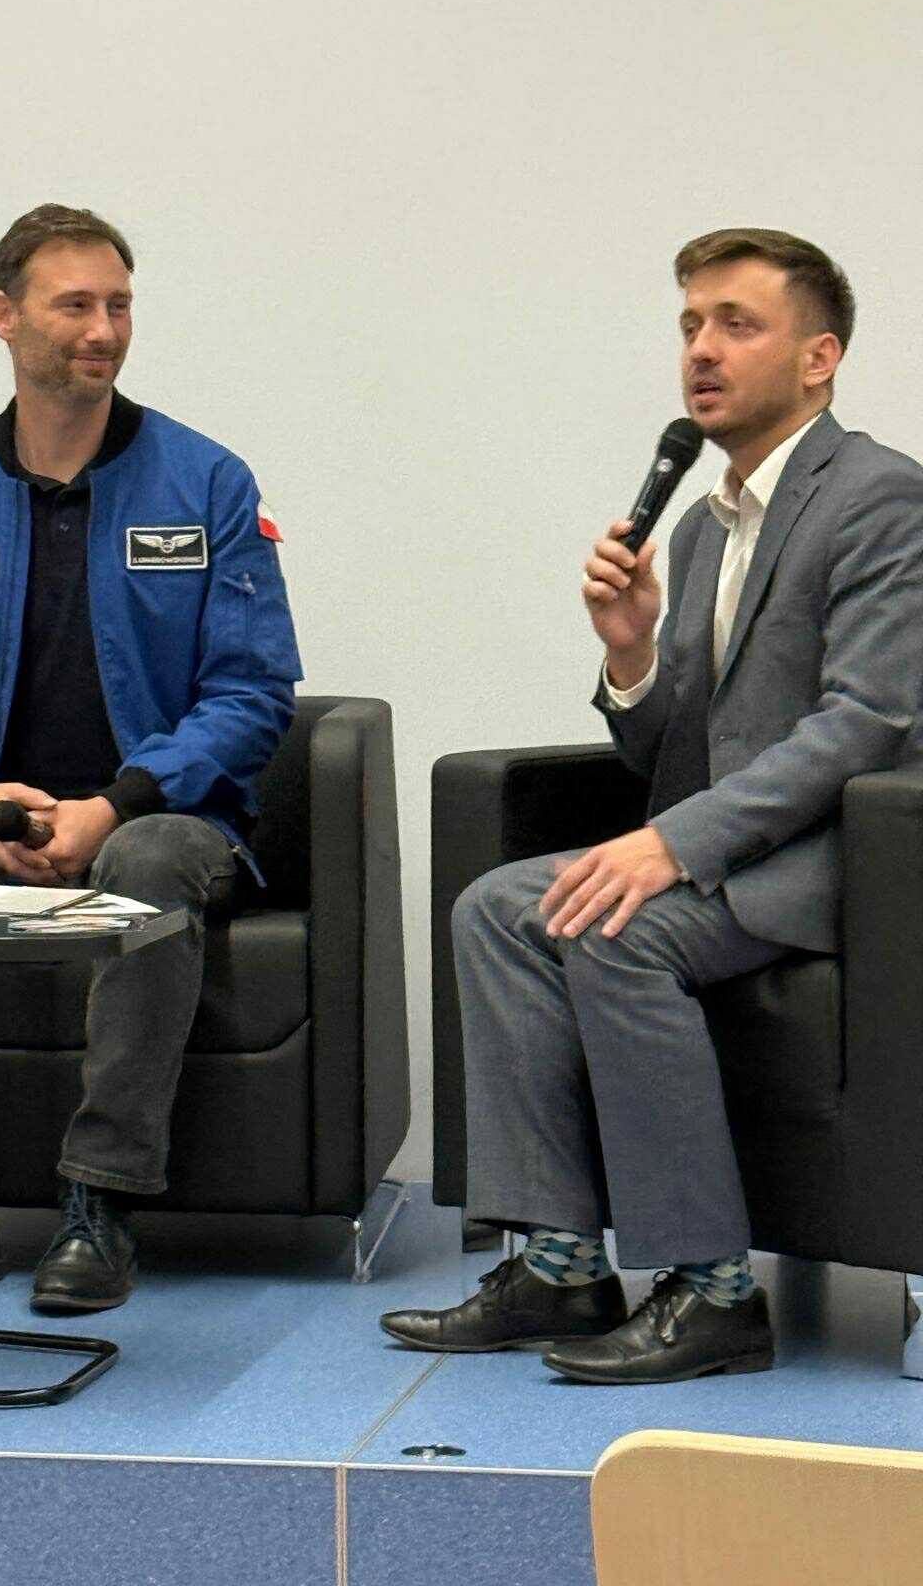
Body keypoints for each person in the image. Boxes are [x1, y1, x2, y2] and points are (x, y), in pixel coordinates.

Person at [382, 228, 923, 1383]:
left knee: (613, 927)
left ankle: (715, 1292)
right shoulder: (701, 524)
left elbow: (866, 722)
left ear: (819, 357)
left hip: (847, 857)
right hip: (730, 849)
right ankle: (562, 1263)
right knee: (496, 907)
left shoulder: (880, 496)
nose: (702, 350)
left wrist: (672, 846)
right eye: (690, 326)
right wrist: (630, 655)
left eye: (738, 323)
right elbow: (674, 745)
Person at [0, 203, 303, 1313]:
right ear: (4, 317)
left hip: (164, 817)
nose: (104, 330)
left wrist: (117, 803)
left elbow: (252, 693)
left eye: (119, 306)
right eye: (76, 306)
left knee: (143, 865)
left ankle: (100, 1202)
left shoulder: (208, 483)